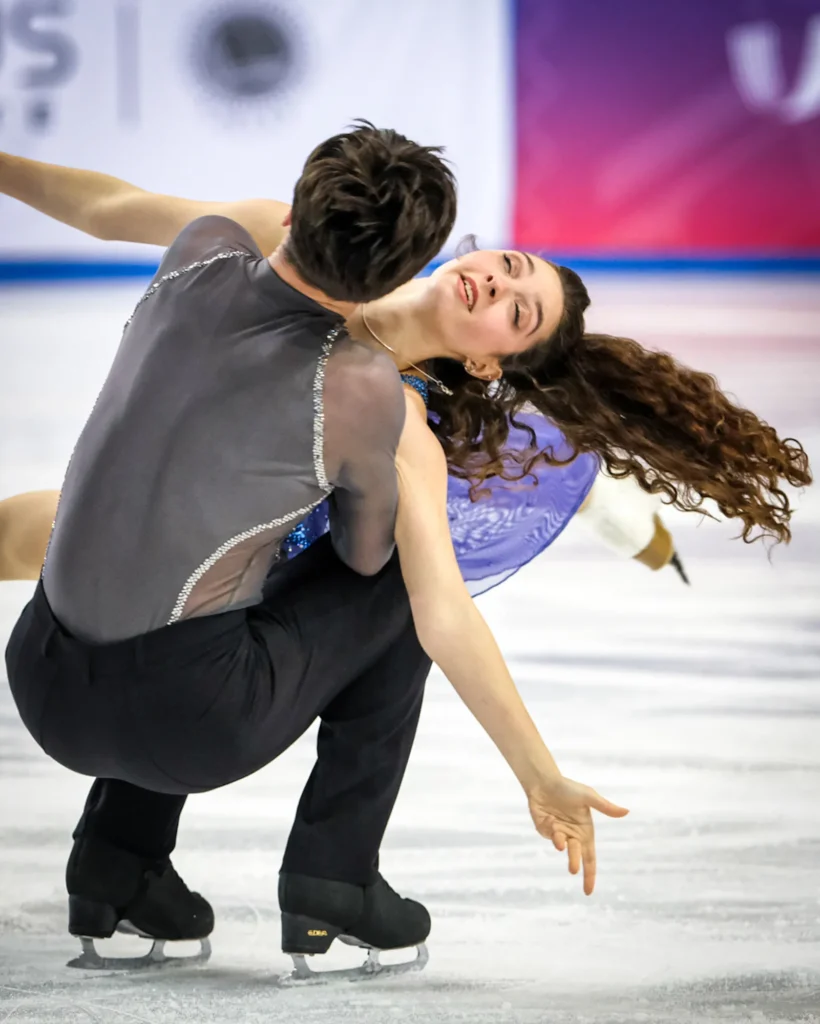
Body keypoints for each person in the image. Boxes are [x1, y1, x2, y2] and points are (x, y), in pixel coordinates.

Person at [0, 134, 634, 980]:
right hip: (183, 711)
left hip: (43, 670)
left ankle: (119, 860)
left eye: (518, 309)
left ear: (488, 362)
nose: (497, 282)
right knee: (379, 577)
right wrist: (541, 777)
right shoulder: (372, 398)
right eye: (509, 264)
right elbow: (413, 596)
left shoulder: (215, 248)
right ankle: (332, 874)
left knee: (250, 573)